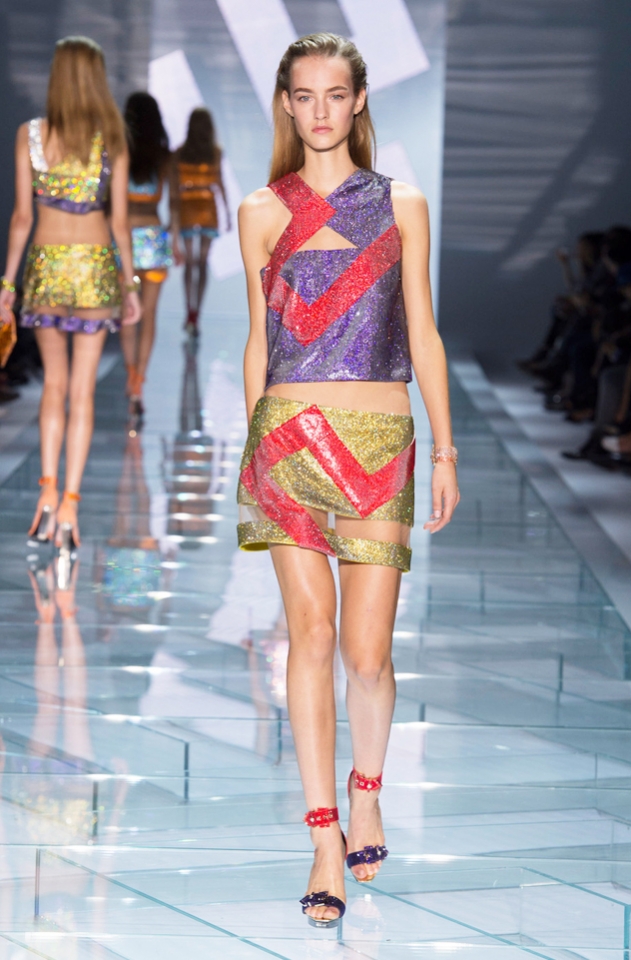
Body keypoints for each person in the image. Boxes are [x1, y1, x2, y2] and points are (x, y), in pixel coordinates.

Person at [236, 33, 460, 927]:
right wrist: (251, 448)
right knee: (312, 635)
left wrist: (444, 450)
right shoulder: (261, 210)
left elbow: (424, 331)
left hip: (378, 437)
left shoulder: (401, 204)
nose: (320, 110)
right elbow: (258, 338)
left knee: (367, 653)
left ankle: (368, 793)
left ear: (359, 99)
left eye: (335, 93)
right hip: (288, 436)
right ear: (287, 103)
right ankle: (324, 835)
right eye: (304, 95)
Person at [0, 36, 140, 548]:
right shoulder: (112, 138)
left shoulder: (31, 135)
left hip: (46, 268)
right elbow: (119, 222)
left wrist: (7, 285)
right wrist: (130, 283)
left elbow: (22, 217)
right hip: (95, 269)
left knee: (53, 388)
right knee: (81, 392)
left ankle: (46, 490)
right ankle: (70, 506)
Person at [122, 91, 180, 421]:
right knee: (149, 314)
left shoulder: (120, 153)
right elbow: (174, 205)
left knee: (128, 314)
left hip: (125, 242)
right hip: (154, 240)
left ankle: (131, 375)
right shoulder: (164, 158)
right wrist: (176, 240)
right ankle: (140, 380)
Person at [173, 107, 230, 336]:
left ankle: (191, 311)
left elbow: (176, 189)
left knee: (191, 262)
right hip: (206, 209)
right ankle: (195, 312)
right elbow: (220, 182)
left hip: (189, 208)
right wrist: (227, 213)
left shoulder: (180, 153)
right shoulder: (214, 152)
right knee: (202, 262)